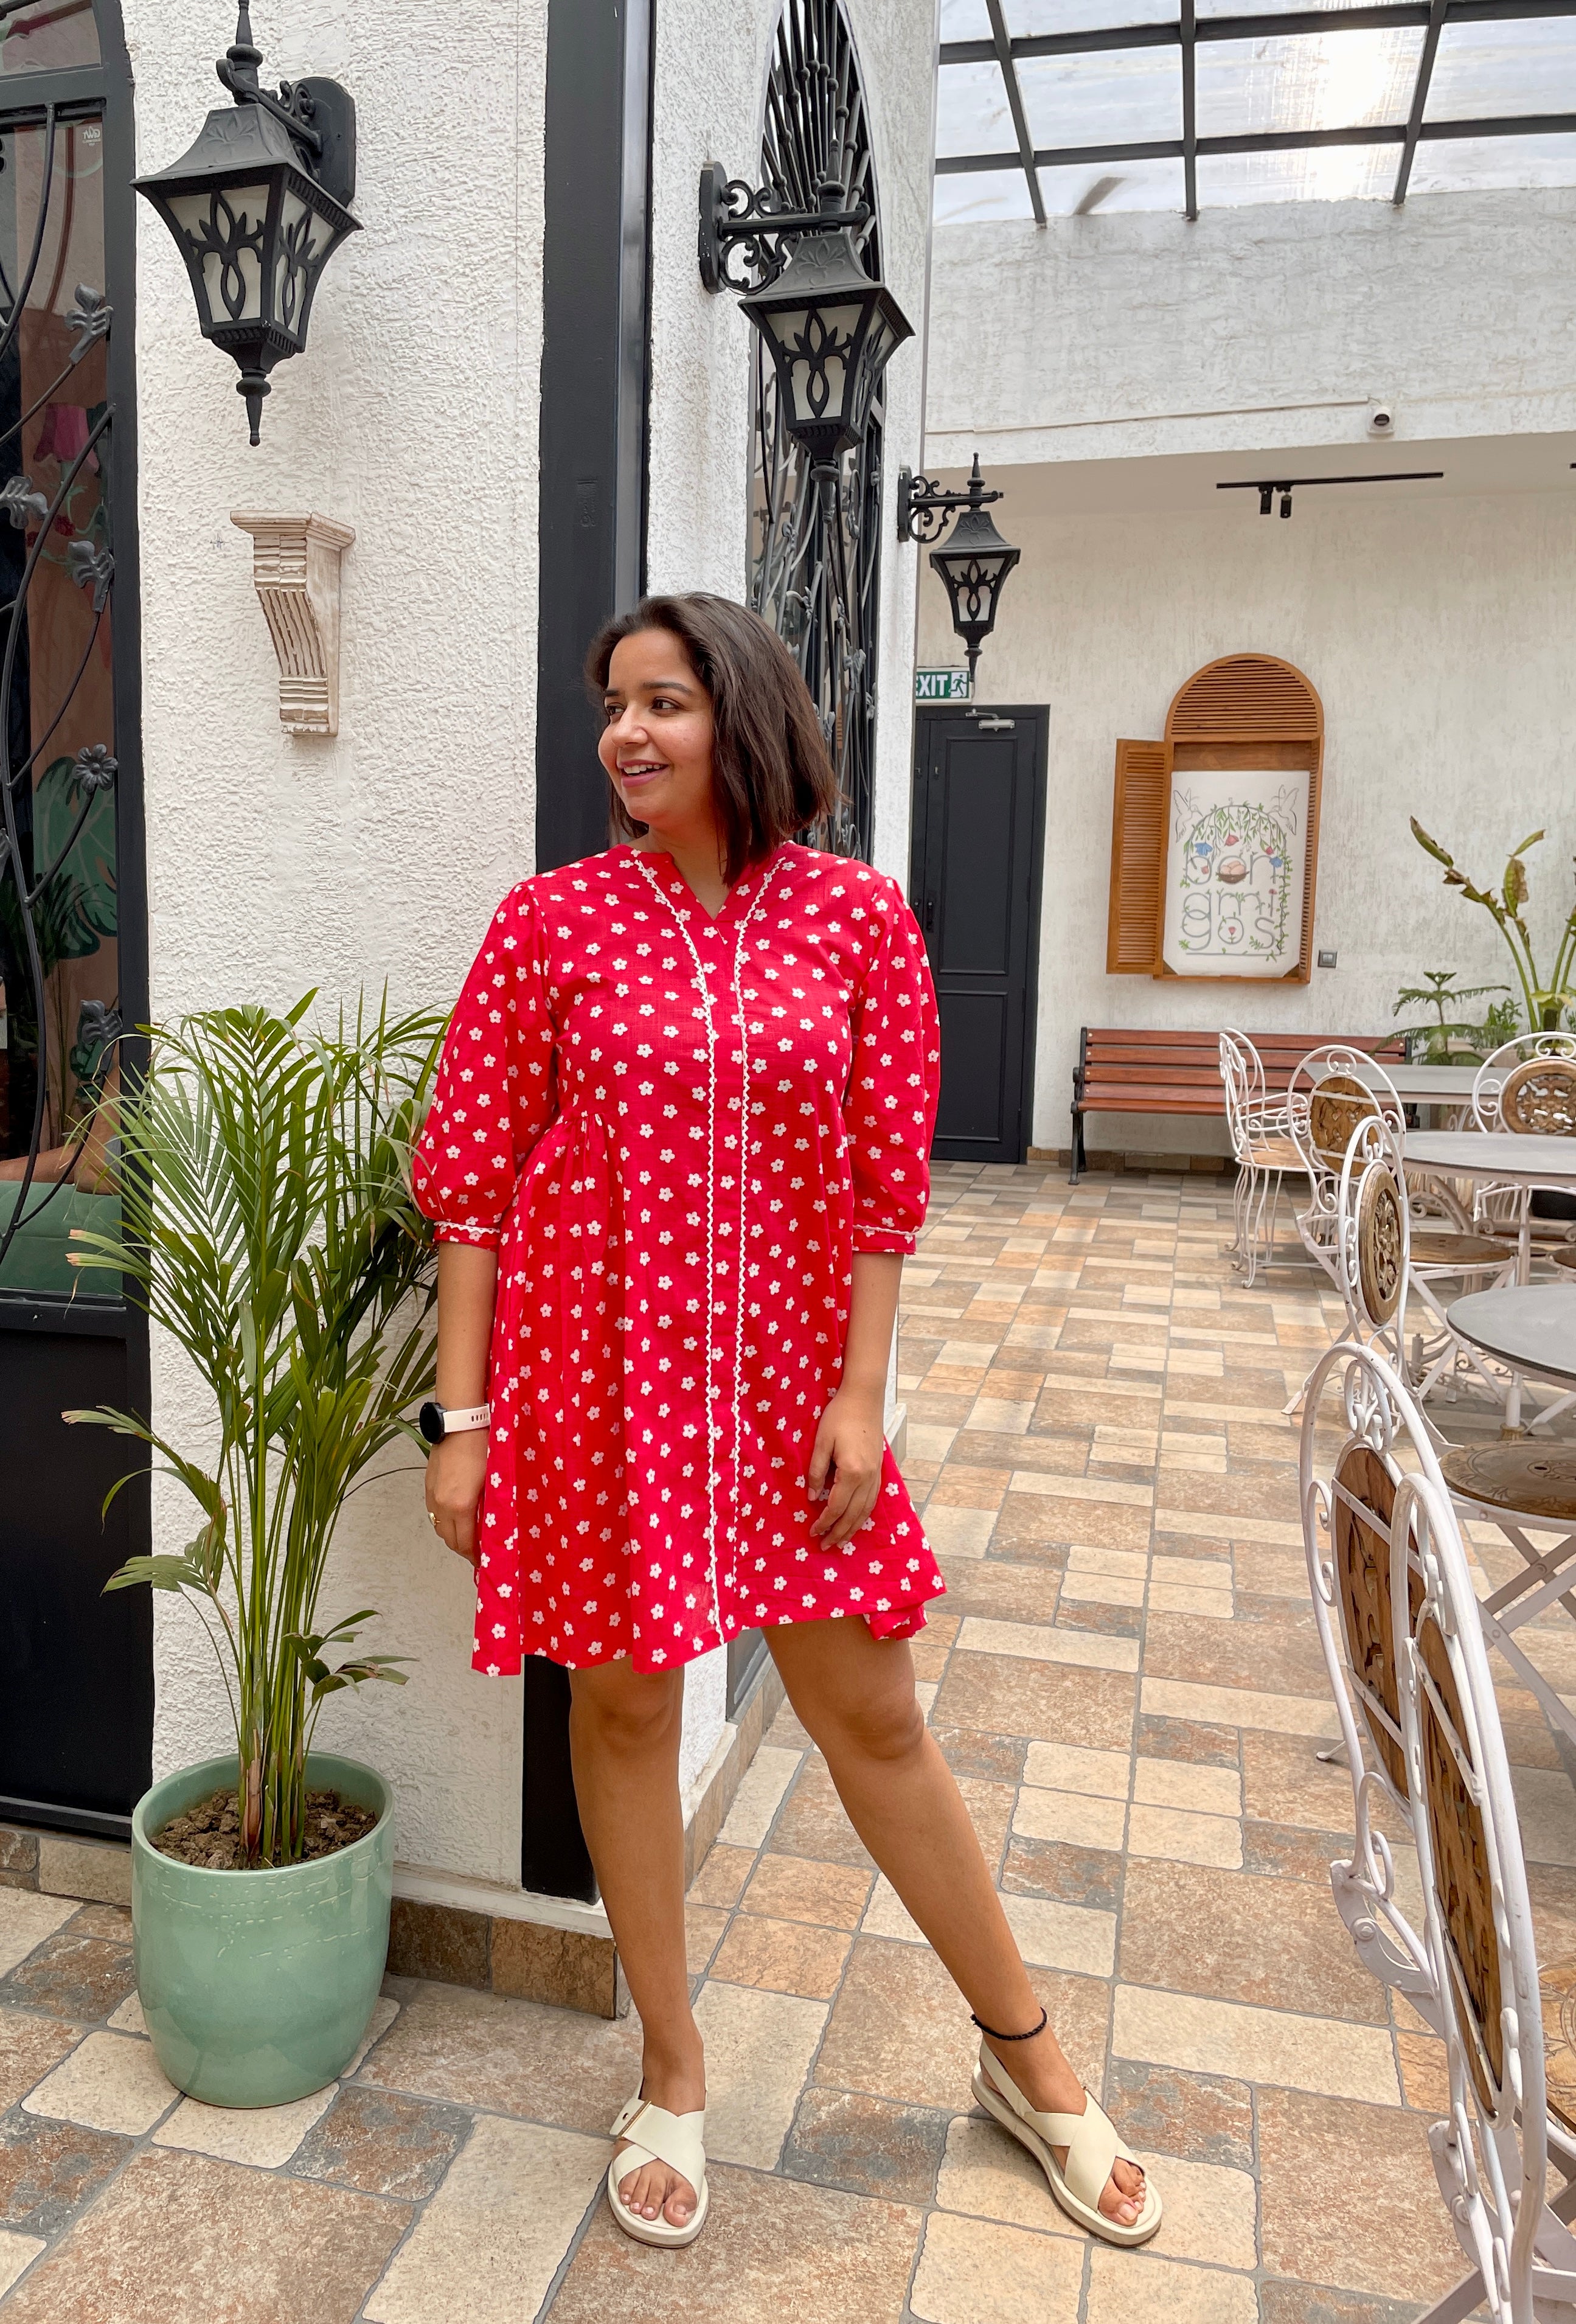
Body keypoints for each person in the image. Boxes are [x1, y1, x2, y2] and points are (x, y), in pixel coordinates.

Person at [412, 593, 1160, 2253]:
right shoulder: (548, 925)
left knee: (874, 1717)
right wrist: (463, 1419)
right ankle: (673, 2069)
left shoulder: (859, 921)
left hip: (788, 1400)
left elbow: (887, 1189)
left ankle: (1028, 2056)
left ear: (742, 716)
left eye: (662, 701)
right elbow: (472, 1187)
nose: (626, 733)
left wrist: (861, 1394)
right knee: (622, 1709)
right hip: (597, 1391)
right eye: (614, 705)